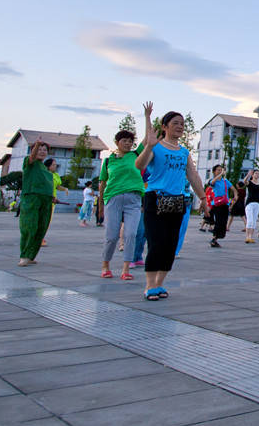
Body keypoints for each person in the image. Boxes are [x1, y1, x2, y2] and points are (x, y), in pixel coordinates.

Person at [134, 102, 206, 301]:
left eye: (182, 124)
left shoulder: (184, 152)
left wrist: (203, 198)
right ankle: (150, 286)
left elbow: (193, 176)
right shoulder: (156, 147)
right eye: (175, 123)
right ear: (164, 126)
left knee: (170, 245)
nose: (180, 127)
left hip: (176, 201)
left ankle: (159, 284)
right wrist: (149, 145)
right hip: (155, 198)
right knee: (156, 243)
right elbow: (139, 165)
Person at [98, 129, 144, 281]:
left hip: (134, 199)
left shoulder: (136, 155)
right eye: (124, 140)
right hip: (113, 198)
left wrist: (148, 117)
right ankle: (106, 265)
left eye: (130, 141)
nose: (128, 143)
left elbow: (149, 139)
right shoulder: (108, 161)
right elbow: (103, 183)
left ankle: (126, 269)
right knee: (111, 236)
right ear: (117, 142)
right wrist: (100, 206)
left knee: (131, 234)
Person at [17, 140, 55, 266]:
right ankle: (24, 255)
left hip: (46, 201)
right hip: (31, 199)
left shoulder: (44, 168)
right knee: (29, 226)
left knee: (41, 228)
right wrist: (37, 144)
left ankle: (31, 255)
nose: (42, 152)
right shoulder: (29, 163)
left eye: (45, 150)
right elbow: (32, 157)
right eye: (39, 149)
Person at [207, 165, 233, 248]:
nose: (220, 171)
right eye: (218, 170)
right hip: (217, 204)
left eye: (221, 170)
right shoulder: (213, 181)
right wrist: (220, 174)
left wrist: (235, 196)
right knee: (218, 221)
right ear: (214, 172)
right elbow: (212, 183)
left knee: (223, 222)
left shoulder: (225, 181)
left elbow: (233, 188)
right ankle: (214, 238)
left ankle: (216, 238)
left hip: (225, 204)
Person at [242, 169, 259, 244]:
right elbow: (244, 182)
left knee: (254, 220)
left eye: (258, 174)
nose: (257, 175)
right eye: (255, 173)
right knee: (250, 220)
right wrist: (248, 175)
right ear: (253, 175)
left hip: (257, 203)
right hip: (250, 203)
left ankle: (251, 236)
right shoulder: (250, 183)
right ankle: (247, 236)